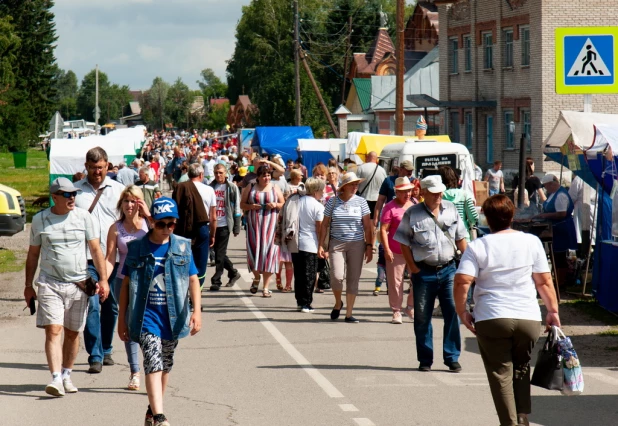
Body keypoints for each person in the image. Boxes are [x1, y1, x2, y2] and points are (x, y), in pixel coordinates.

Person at [454, 195, 561, 426]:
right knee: (521, 367)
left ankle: (509, 423)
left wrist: (462, 311)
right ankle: (522, 416)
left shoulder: (477, 245)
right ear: (512, 216)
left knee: (500, 373)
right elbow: (543, 281)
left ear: (487, 219)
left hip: (492, 317)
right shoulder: (531, 242)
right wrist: (553, 310)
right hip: (528, 318)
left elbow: (462, 281)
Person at [117, 197, 202, 426]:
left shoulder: (182, 246)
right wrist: (121, 320)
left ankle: (151, 410)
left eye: (171, 224)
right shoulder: (137, 248)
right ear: (152, 221)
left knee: (165, 364)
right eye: (162, 224)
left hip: (173, 317)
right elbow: (125, 285)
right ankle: (160, 417)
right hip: (146, 316)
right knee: (152, 362)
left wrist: (197, 312)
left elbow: (193, 280)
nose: (167, 229)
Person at [25, 178, 109, 396]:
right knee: (54, 329)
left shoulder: (84, 218)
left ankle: (66, 374)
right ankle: (55, 379)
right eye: (66, 194)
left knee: (72, 333)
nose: (72, 197)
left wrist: (104, 280)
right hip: (50, 282)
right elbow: (33, 254)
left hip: (79, 283)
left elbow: (96, 250)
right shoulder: (40, 220)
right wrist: (28, 285)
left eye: (74, 194)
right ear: (54, 198)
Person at [393, 175, 467, 372]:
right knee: (423, 317)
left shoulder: (451, 209)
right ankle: (425, 359)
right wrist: (413, 268)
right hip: (423, 271)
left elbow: (461, 238)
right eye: (433, 193)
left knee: (452, 312)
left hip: (449, 269)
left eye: (440, 192)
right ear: (423, 192)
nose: (438, 196)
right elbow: (403, 242)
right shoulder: (412, 213)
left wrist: (467, 265)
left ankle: (452, 357)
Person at [74, 147, 125, 374]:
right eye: (93, 168)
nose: (97, 172)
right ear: (86, 167)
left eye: (101, 167)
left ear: (108, 166)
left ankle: (106, 348)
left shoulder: (118, 191)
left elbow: (128, 220)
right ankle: (94, 354)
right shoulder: (74, 192)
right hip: (85, 258)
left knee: (111, 305)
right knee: (92, 303)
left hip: (112, 257)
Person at [105, 185, 151, 391]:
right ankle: (135, 372)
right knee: (129, 327)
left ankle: (152, 368)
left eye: (134, 201)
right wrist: (103, 281)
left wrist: (149, 215)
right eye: (126, 201)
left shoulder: (149, 225)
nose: (130, 205)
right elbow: (109, 258)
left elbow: (168, 236)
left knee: (148, 326)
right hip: (123, 281)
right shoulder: (115, 228)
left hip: (148, 281)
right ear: (121, 204)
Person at [319, 172, 374, 323]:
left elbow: (368, 227)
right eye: (352, 184)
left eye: (357, 184)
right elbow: (324, 225)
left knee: (353, 279)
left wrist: (369, 246)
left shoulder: (362, 202)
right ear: (344, 186)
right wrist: (320, 245)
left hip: (357, 244)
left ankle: (349, 313)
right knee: (336, 277)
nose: (355, 186)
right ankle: (338, 303)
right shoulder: (333, 201)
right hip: (337, 243)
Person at [279, 178, 325, 311]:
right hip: (310, 243)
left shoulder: (296, 201)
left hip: (295, 242)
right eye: (321, 190)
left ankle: (300, 301)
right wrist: (322, 245)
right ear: (316, 191)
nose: (322, 193)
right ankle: (306, 303)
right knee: (309, 275)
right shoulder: (318, 206)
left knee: (299, 274)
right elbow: (319, 228)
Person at [240, 165, 285, 297]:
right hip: (254, 225)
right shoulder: (251, 187)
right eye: (264, 175)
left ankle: (265, 287)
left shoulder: (275, 187)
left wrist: (276, 205)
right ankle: (256, 277)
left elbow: (283, 203)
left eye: (268, 175)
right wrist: (251, 206)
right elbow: (242, 204)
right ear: (258, 177)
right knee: (254, 253)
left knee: (269, 255)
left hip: (271, 225)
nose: (267, 178)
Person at [172, 164, 217, 288]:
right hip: (202, 228)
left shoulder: (180, 187)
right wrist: (212, 235)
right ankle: (196, 296)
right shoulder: (209, 190)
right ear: (201, 175)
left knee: (183, 262)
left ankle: (184, 293)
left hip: (182, 229)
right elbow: (213, 217)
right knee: (200, 264)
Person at [380, 177, 415, 324]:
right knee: (396, 283)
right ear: (397, 192)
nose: (407, 194)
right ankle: (396, 311)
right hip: (396, 250)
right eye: (403, 192)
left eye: (409, 191)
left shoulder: (414, 205)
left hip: (414, 250)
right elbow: (383, 230)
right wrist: (386, 249)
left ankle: (410, 306)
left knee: (417, 280)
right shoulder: (389, 207)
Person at [535, 174, 577, 289]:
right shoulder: (553, 194)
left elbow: (561, 214)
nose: (546, 189)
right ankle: (557, 280)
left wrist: (544, 215)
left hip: (561, 228)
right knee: (555, 255)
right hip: (555, 228)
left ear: (552, 184)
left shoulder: (561, 195)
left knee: (559, 255)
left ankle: (561, 282)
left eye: (546, 186)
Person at [209, 164, 242, 291]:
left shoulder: (231, 187)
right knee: (218, 253)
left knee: (219, 254)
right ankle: (233, 273)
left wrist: (237, 226)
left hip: (224, 224)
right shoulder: (211, 187)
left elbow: (237, 207)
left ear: (226, 173)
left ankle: (216, 280)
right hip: (213, 224)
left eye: (221, 172)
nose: (218, 175)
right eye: (216, 172)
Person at [439, 166, 479, 241]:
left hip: (445, 238)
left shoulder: (439, 196)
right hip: (464, 237)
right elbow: (474, 216)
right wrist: (466, 223)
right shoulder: (464, 194)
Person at [373, 160, 415, 226]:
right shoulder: (389, 180)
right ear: (401, 169)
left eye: (411, 170)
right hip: (390, 215)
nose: (410, 172)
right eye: (408, 170)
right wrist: (376, 217)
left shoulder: (413, 182)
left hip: (408, 216)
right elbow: (380, 200)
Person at [355, 151, 387, 219]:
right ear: (376, 158)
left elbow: (356, 183)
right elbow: (385, 185)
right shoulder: (382, 170)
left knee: (363, 220)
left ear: (368, 157)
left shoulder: (361, 168)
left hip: (363, 198)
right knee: (375, 220)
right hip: (377, 200)